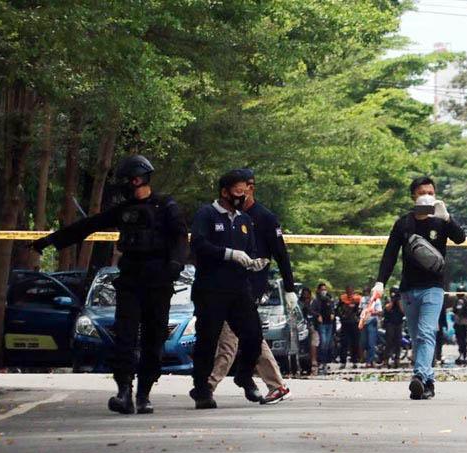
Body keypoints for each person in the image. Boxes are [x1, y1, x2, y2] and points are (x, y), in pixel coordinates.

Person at [29, 155, 188, 415]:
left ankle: (144, 393)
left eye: (128, 181)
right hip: (130, 279)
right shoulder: (124, 210)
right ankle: (123, 392)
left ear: (138, 179)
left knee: (154, 338)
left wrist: (175, 265)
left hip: (159, 280)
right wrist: (48, 241)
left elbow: (181, 238)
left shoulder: (166, 206)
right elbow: (87, 226)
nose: (125, 185)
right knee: (125, 336)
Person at [207, 168, 297, 405]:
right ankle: (269, 384)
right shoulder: (226, 217)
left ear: (250, 188)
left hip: (250, 287)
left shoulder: (264, 218)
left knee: (231, 338)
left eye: (241, 187)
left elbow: (281, 254)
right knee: (250, 336)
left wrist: (289, 288)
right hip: (227, 285)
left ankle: (208, 385)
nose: (236, 193)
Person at [372, 176, 466, 400]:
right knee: (417, 337)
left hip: (433, 287)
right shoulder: (403, 223)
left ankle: (419, 376)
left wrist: (448, 218)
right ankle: (428, 383)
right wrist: (380, 283)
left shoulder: (440, 221)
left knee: (426, 332)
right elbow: (390, 256)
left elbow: (460, 238)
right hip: (408, 289)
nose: (428, 196)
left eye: (431, 192)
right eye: (423, 192)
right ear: (413, 195)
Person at [188, 170, 267, 409]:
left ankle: (244, 376)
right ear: (224, 192)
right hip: (211, 288)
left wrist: (254, 263)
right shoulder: (207, 214)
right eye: (237, 192)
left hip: (239, 289)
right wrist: (228, 254)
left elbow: (251, 250)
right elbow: (198, 244)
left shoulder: (244, 221)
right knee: (207, 339)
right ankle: (202, 389)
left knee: (253, 335)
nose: (242, 197)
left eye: (245, 192)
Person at [311, 282, 336, 374]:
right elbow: (312, 310)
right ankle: (321, 361)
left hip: (329, 323)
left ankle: (325, 362)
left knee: (328, 343)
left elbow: (333, 308)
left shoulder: (329, 299)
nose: (324, 291)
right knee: (323, 342)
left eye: (325, 289)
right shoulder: (316, 300)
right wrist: (318, 315)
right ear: (318, 290)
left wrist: (333, 313)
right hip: (321, 324)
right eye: (322, 290)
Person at [338, 286, 362, 369]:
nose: (349, 292)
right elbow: (338, 309)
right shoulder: (342, 298)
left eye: (351, 290)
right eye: (348, 290)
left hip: (355, 323)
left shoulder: (358, 299)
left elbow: (360, 310)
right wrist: (342, 316)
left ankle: (355, 361)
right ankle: (343, 361)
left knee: (355, 343)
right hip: (345, 323)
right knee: (344, 343)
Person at [360, 286, 383, 367]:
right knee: (363, 342)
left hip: (372, 322)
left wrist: (371, 312)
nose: (366, 294)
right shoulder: (362, 299)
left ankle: (370, 361)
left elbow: (380, 312)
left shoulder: (377, 300)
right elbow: (360, 309)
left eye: (367, 292)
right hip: (363, 322)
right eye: (364, 292)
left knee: (371, 342)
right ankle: (365, 359)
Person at [383, 286, 405, 368]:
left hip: (398, 323)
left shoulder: (401, 300)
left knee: (398, 342)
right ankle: (386, 360)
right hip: (390, 323)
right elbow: (387, 308)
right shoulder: (388, 299)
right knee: (389, 342)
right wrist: (393, 300)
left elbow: (403, 311)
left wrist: (398, 301)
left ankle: (397, 359)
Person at [299, 287, 319, 375]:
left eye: (307, 294)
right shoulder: (299, 303)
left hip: (313, 325)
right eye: (304, 294)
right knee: (304, 345)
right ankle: (304, 364)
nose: (305, 296)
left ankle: (313, 361)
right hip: (302, 327)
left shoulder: (315, 302)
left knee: (314, 343)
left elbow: (317, 312)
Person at [452, 286, 467, 365]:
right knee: (462, 338)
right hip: (463, 322)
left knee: (461, 339)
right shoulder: (466, 299)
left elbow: (458, 311)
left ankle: (462, 354)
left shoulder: (460, 300)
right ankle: (463, 354)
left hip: (460, 322)